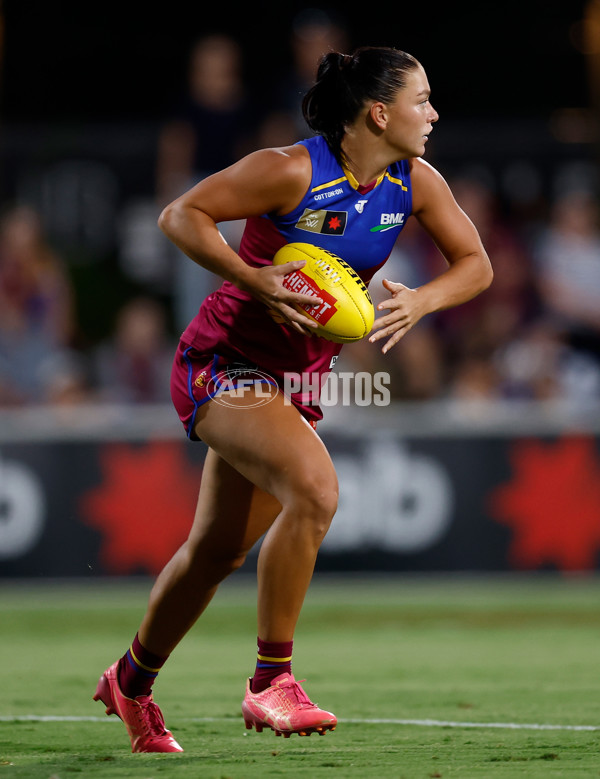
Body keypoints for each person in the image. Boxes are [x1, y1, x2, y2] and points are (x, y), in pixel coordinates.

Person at [93, 45, 493, 753]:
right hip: (224, 360)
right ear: (378, 112)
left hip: (295, 380)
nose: (432, 113)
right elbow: (181, 216)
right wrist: (254, 278)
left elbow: (476, 265)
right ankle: (270, 680)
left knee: (216, 551)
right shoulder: (289, 170)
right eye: (421, 99)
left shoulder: (414, 181)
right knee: (316, 489)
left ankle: (130, 680)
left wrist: (422, 301)